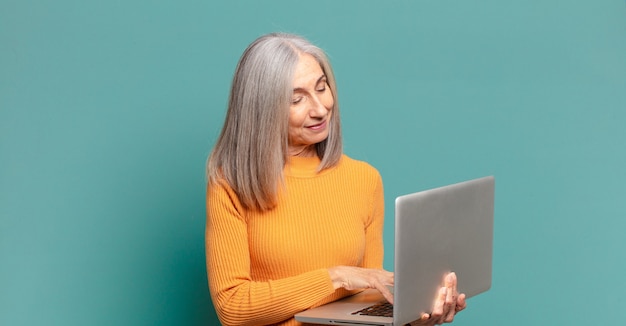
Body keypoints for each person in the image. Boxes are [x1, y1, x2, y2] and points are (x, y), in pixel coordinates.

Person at [205, 32, 467, 326]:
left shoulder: (364, 179)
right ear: (262, 109)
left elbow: (367, 298)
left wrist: (415, 319)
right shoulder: (231, 184)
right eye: (297, 99)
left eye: (321, 87)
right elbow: (232, 307)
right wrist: (337, 276)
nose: (320, 109)